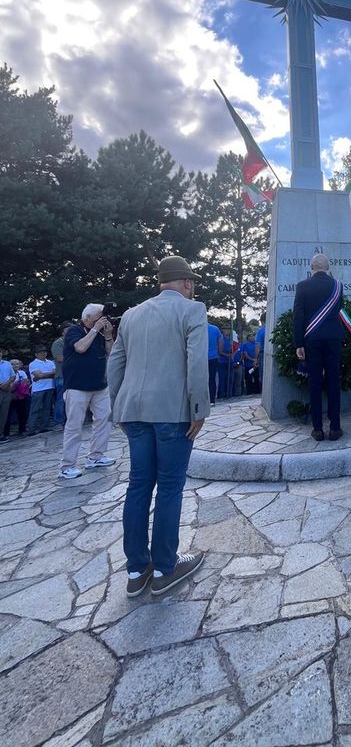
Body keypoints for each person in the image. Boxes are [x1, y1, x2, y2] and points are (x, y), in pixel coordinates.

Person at [108, 255, 209, 598]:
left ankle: (136, 570)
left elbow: (115, 364)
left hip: (133, 412)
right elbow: (196, 363)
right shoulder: (191, 310)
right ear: (186, 283)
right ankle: (166, 566)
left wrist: (118, 408)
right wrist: (199, 409)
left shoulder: (131, 316)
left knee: (138, 486)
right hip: (173, 411)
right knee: (169, 487)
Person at [293, 252, 344, 441]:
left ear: (312, 267)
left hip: (311, 340)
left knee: (314, 383)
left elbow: (298, 316)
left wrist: (299, 343)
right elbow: (339, 308)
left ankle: (317, 429)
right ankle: (335, 427)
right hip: (333, 338)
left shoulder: (302, 286)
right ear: (327, 267)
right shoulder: (338, 286)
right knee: (333, 382)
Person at [60, 304, 115, 479]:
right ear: (87, 318)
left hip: (99, 385)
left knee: (105, 420)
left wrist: (107, 335)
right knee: (74, 426)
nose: (101, 320)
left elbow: (111, 354)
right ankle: (67, 466)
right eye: (98, 318)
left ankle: (96, 456)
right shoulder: (74, 331)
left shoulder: (99, 334)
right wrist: (95, 331)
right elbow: (80, 348)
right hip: (77, 386)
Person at [26, 344, 56, 436]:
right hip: (38, 389)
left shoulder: (50, 362)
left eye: (44, 351)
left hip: (50, 387)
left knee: (47, 408)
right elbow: (39, 375)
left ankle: (44, 427)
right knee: (35, 409)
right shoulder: (33, 364)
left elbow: (55, 373)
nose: (43, 353)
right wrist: (49, 374)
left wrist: (42, 375)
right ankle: (31, 429)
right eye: (41, 352)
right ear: (36, 354)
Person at [51, 321, 74, 427]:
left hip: (72, 375)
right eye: (67, 329)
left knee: (72, 399)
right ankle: (58, 422)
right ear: (63, 332)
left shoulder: (73, 341)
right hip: (61, 375)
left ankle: (70, 420)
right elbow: (60, 358)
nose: (70, 331)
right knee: (61, 400)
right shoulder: (58, 343)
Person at [4, 359, 31, 439]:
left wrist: (25, 382)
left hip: (21, 396)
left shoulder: (22, 372)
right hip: (10, 396)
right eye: (13, 364)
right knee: (7, 415)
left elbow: (27, 382)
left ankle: (22, 430)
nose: (15, 365)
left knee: (22, 413)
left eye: (17, 364)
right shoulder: (6, 373)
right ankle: (6, 433)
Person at [0, 348, 16, 443]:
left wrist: (8, 383)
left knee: (4, 414)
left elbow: (13, 376)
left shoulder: (7, 364)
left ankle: (1, 434)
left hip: (6, 390)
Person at [207, 319, 223, 405]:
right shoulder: (215, 329)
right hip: (213, 357)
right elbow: (220, 343)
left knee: (202, 379)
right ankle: (212, 400)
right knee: (212, 379)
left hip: (201, 358)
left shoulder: (197, 329)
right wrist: (218, 353)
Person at [255, 312, 266, 387]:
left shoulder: (261, 331)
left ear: (262, 321)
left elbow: (258, 346)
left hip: (263, 355)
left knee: (263, 375)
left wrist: (255, 358)